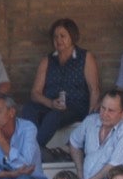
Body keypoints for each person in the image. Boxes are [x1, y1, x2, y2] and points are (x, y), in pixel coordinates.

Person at [21, 18, 101, 148]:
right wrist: (51, 103)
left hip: (75, 107)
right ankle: (32, 145)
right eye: (55, 36)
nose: (58, 40)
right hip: (51, 104)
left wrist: (90, 119)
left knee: (54, 116)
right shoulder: (48, 60)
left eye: (62, 36)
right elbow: (35, 93)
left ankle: (33, 149)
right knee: (29, 108)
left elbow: (94, 89)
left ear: (72, 37)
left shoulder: (85, 57)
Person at [69, 88, 123, 179]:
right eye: (103, 108)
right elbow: (74, 142)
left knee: (114, 178)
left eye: (111, 111)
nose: (104, 114)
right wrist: (80, 175)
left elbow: (115, 166)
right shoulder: (91, 121)